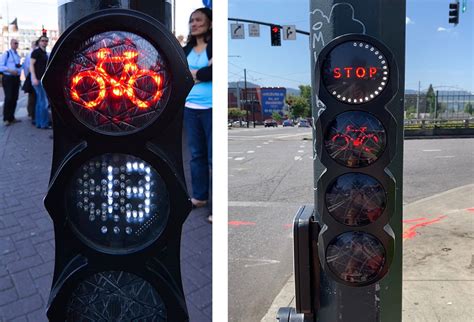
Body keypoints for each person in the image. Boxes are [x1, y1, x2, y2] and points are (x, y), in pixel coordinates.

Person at [183, 8, 213, 222]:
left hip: (211, 107)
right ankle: (200, 197)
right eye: (192, 20)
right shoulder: (186, 50)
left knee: (213, 158)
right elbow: (179, 72)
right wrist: (200, 73)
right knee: (196, 156)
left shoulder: (214, 47)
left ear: (209, 23)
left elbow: (211, 73)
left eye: (199, 20)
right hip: (190, 107)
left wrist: (197, 74)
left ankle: (215, 207)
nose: (194, 24)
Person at [0, 39, 22, 126]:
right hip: (8, 78)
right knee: (8, 98)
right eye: (15, 43)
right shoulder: (6, 53)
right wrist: (10, 70)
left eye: (17, 43)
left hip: (16, 78)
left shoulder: (17, 55)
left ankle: (11, 117)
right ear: (11, 44)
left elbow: (18, 66)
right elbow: (1, 66)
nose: (16, 45)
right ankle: (6, 118)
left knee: (15, 98)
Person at [30, 35, 51, 129]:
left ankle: (39, 123)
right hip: (38, 80)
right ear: (39, 42)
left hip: (42, 80)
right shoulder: (36, 52)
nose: (44, 42)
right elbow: (31, 65)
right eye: (43, 40)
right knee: (44, 102)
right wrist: (34, 78)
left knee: (40, 102)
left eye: (46, 41)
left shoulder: (44, 53)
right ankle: (44, 124)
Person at [23, 40, 38, 123]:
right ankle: (31, 113)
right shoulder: (29, 55)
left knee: (35, 97)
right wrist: (27, 77)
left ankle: (33, 113)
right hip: (31, 77)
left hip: (34, 77)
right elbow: (26, 67)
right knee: (32, 97)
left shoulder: (35, 53)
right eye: (34, 44)